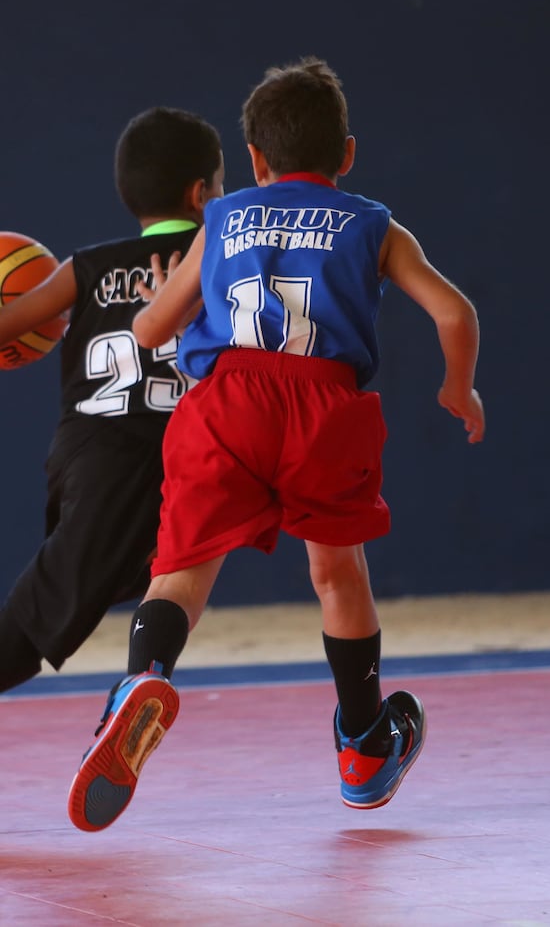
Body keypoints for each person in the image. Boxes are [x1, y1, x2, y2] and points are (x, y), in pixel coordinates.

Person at [67, 57, 485, 833]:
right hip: (324, 405)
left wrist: (162, 301)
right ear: (346, 154)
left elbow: (151, 331)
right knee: (337, 574)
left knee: (179, 575)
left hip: (225, 402)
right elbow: (455, 313)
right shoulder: (373, 222)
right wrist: (459, 388)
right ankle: (364, 746)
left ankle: (141, 680)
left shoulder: (224, 216)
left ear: (255, 159)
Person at [0, 107, 224, 694]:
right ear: (201, 194)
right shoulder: (221, 256)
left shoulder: (85, 267)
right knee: (37, 620)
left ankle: (143, 679)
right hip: (160, 453)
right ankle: (143, 682)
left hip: (86, 452)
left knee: (138, 576)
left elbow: (7, 324)